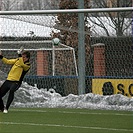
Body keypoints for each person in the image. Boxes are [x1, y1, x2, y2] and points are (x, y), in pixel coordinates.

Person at [0, 47, 30, 113]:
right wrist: (1, 57)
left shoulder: (27, 65)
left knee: (12, 90)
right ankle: (2, 108)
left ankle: (6, 108)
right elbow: (8, 61)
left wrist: (19, 55)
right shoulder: (17, 60)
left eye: (24, 57)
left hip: (16, 82)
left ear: (27, 58)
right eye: (22, 56)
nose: (22, 58)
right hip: (8, 80)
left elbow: (22, 64)